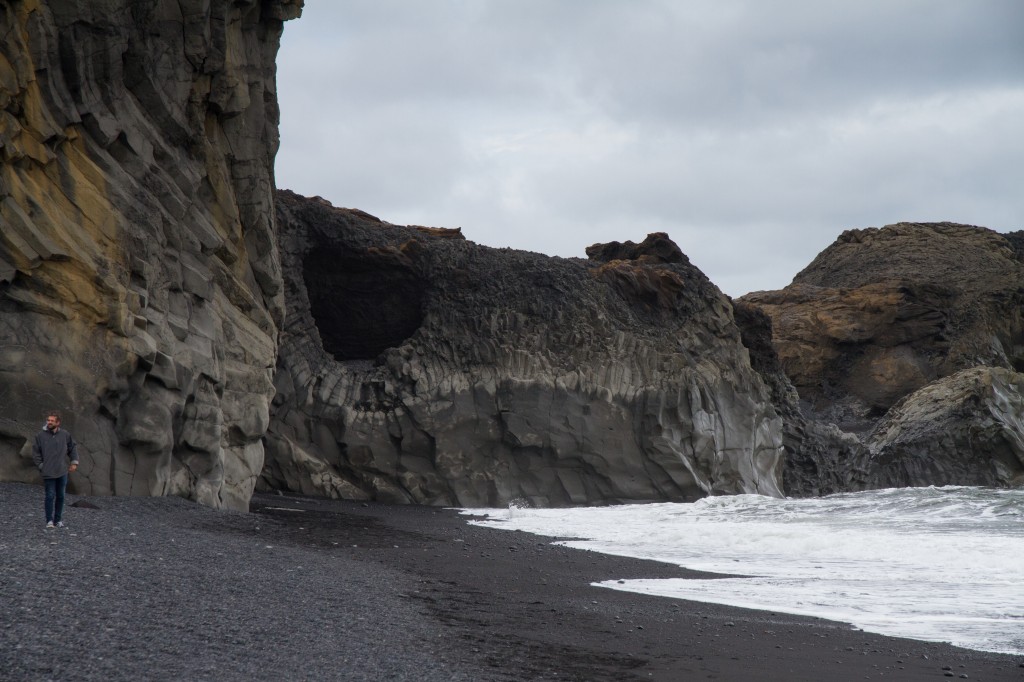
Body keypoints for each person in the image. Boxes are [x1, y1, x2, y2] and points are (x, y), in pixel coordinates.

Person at [32, 411, 80, 529]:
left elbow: (72, 448)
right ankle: (49, 520)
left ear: (58, 423)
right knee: (49, 495)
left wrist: (74, 462)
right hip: (48, 472)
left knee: (61, 496)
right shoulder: (40, 436)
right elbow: (36, 453)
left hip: (62, 471)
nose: (49, 422)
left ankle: (58, 520)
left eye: (52, 421)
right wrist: (41, 466)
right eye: (48, 420)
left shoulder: (65, 434)